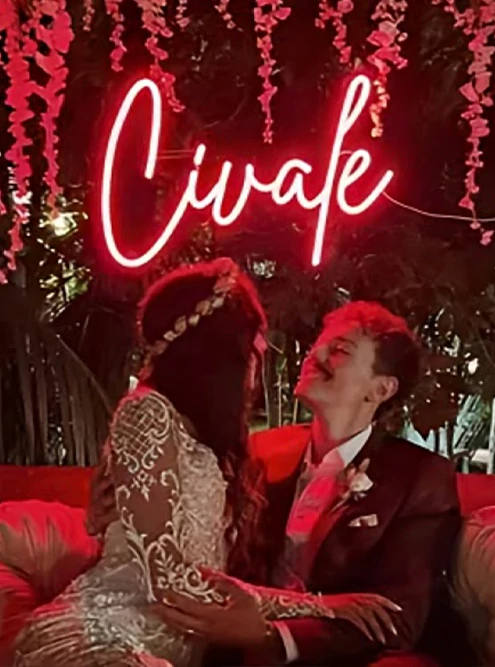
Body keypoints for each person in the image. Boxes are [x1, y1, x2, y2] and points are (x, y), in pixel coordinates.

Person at [12, 263, 398, 667]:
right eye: (253, 343)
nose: (261, 354)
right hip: (107, 637)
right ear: (222, 351)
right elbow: (169, 577)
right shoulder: (147, 413)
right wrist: (319, 606)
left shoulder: (227, 448)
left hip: (185, 650)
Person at [155, 301, 462, 666]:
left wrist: (274, 638)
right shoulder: (262, 450)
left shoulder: (418, 476)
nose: (314, 355)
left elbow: (398, 616)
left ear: (380, 389)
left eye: (340, 349)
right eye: (319, 344)